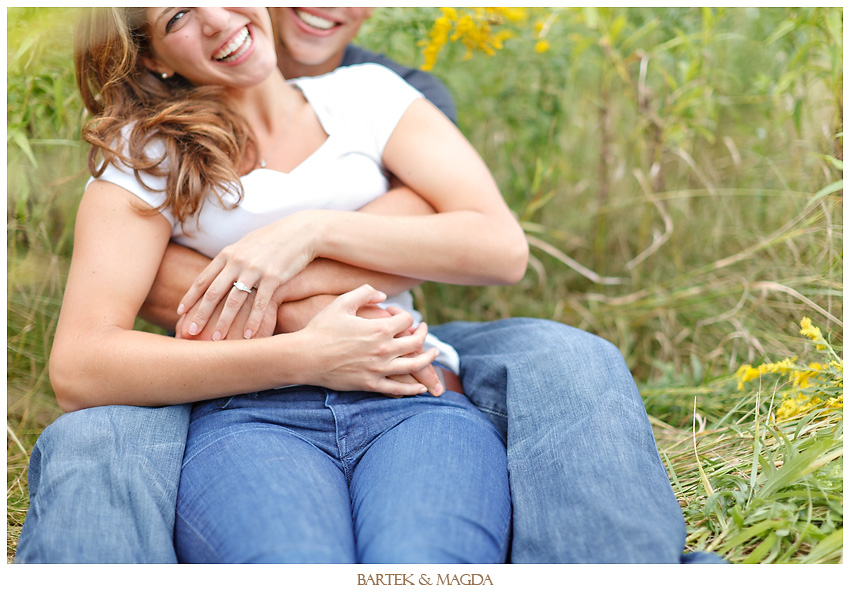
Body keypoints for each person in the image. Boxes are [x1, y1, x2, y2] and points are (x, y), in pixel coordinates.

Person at [15, 7, 724, 564]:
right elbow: (81, 364)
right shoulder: (148, 155)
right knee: (295, 565)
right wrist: (305, 353)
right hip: (246, 416)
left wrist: (309, 233)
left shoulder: (370, 95)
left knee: (420, 565)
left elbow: (496, 242)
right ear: (154, 59)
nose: (219, 18)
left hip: (410, 397)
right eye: (177, 17)